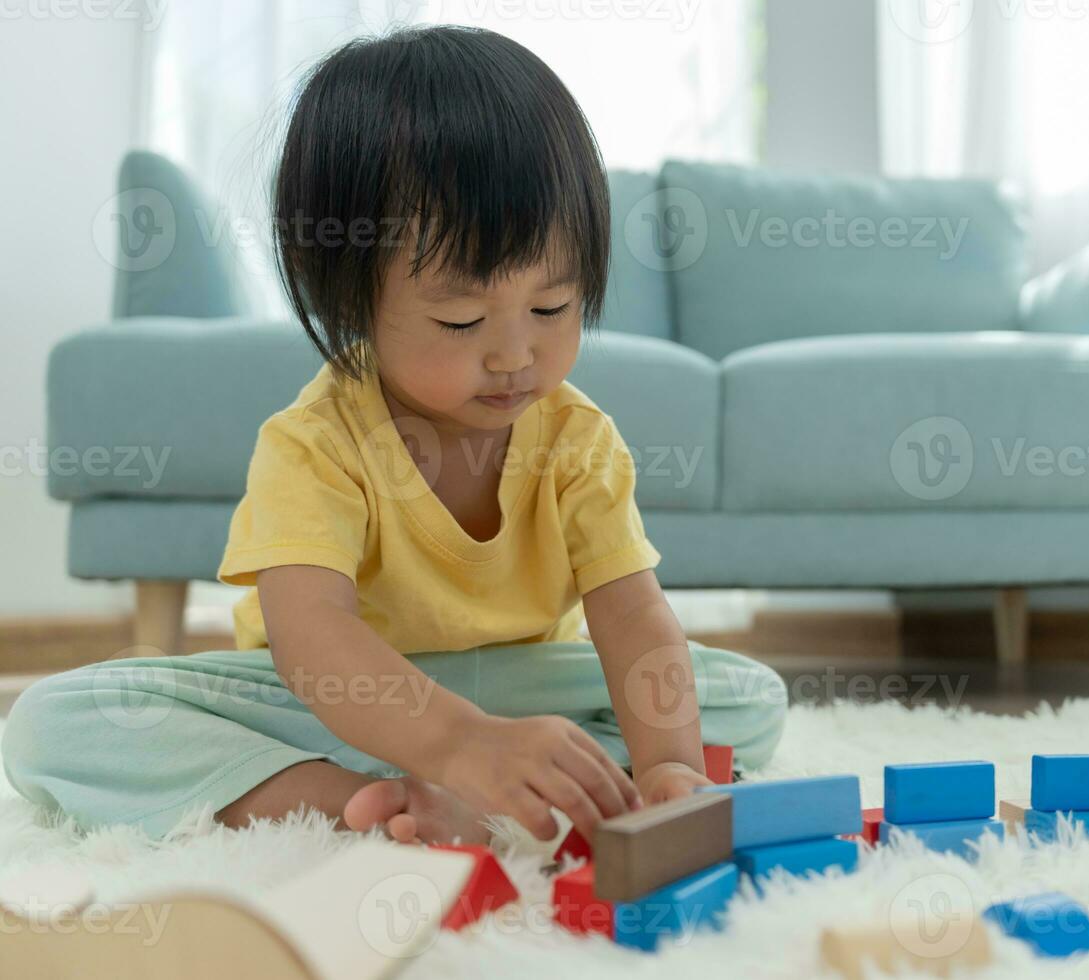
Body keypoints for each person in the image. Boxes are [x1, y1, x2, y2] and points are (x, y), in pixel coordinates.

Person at [2, 25, 786, 845]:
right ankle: (353, 797)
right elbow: (313, 639)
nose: (516, 354)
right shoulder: (316, 443)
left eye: (552, 308)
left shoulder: (576, 438)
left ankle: (511, 774)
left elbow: (630, 614)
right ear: (351, 301)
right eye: (461, 318)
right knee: (56, 721)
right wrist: (453, 739)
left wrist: (668, 766)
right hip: (321, 705)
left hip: (517, 693)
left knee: (746, 695)